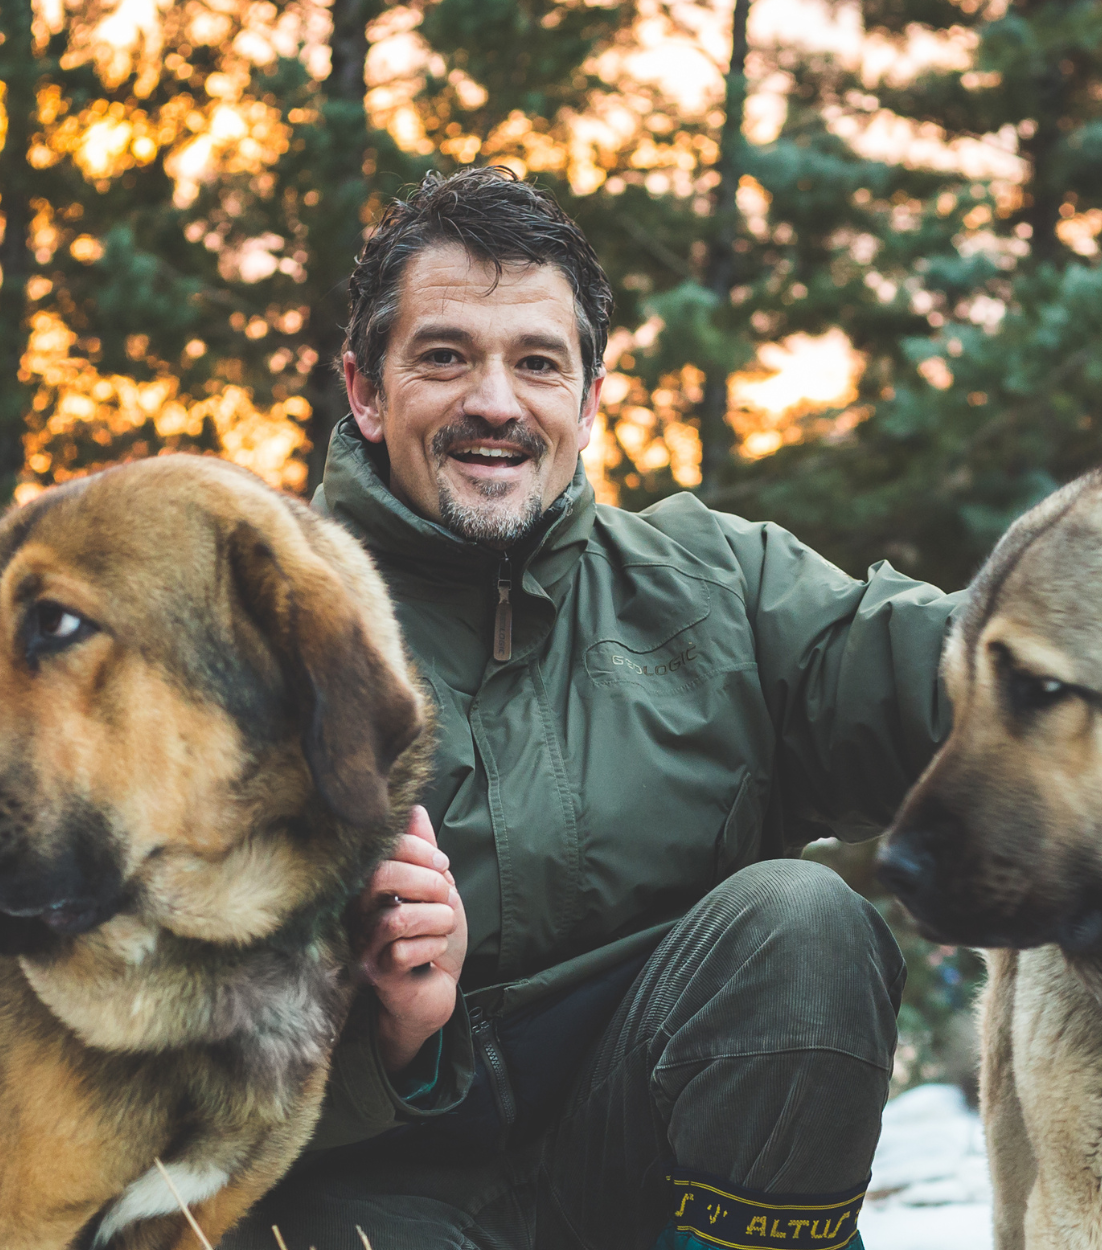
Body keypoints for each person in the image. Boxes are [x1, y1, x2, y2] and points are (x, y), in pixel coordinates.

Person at [226, 166, 960, 1250]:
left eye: (535, 362)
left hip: (649, 1170)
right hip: (366, 1193)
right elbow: (130, 1040)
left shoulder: (717, 584)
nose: (493, 400)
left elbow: (949, 670)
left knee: (799, 922)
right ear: (365, 390)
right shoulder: (247, 643)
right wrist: (389, 1041)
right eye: (443, 356)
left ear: (588, 396)